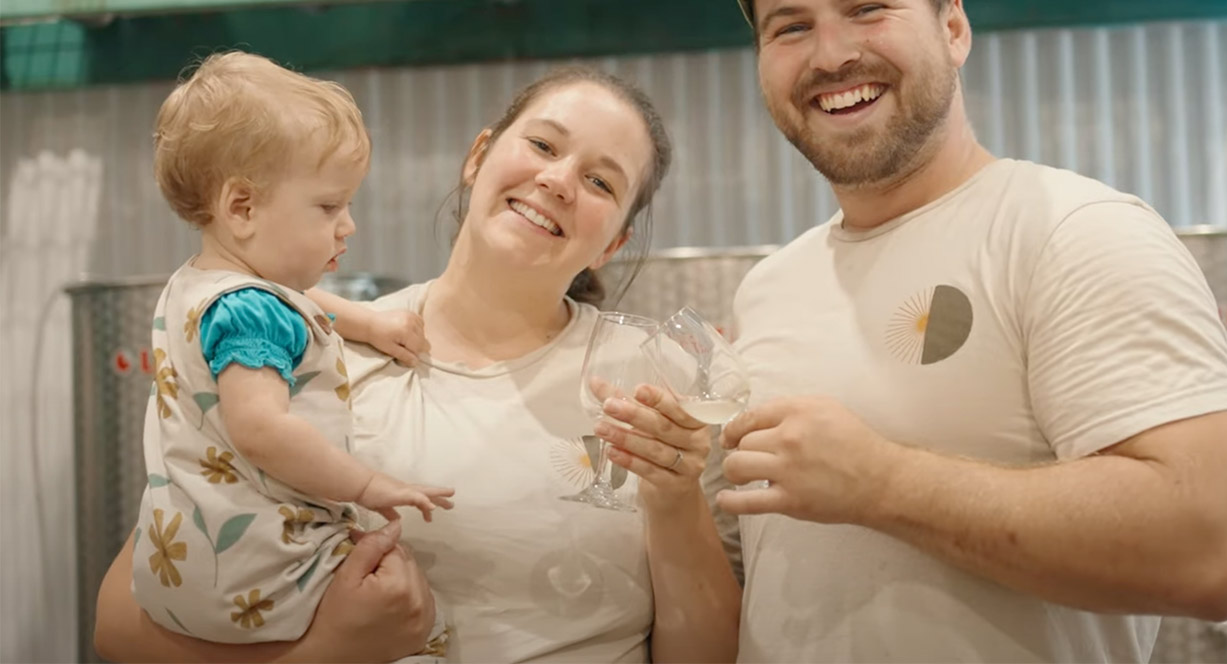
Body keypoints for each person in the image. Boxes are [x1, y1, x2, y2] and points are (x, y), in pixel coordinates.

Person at [703, 0, 1227, 661]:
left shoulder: (1071, 230)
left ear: (953, 28)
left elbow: (1209, 549)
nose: (830, 55)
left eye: (867, 7)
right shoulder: (767, 287)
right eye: (790, 27)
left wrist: (883, 484)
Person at [93, 66, 742, 662]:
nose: (558, 181)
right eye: (543, 146)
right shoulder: (311, 349)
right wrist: (323, 652)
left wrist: (675, 496)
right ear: (477, 157)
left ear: (615, 242)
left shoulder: (655, 386)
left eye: (601, 181)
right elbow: (120, 623)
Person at [129, 51, 453, 655]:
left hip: (172, 572)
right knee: (417, 619)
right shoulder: (252, 310)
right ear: (242, 208)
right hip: (256, 574)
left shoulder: (200, 282)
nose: (348, 225)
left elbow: (297, 301)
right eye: (330, 207)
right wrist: (368, 484)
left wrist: (366, 321)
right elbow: (262, 429)